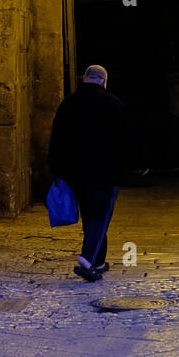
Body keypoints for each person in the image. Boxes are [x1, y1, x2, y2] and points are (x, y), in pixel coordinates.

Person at [48, 64, 130, 282]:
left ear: (84, 79)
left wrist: (56, 168)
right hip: (104, 172)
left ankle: (99, 262)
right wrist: (130, 167)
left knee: (89, 214)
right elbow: (125, 139)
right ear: (104, 81)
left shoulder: (68, 103)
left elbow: (56, 137)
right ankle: (86, 259)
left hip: (75, 173)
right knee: (101, 216)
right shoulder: (113, 104)